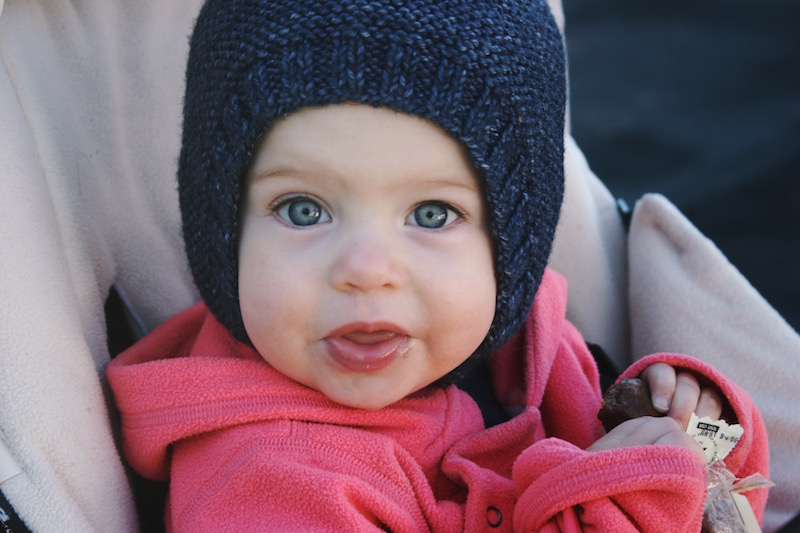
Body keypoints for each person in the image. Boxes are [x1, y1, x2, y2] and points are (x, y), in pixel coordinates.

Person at [106, 0, 769, 530]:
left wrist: (688, 426)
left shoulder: (524, 341)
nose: (367, 270)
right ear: (220, 231)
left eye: (431, 214)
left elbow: (726, 504)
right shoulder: (267, 485)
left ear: (510, 246)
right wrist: (628, 502)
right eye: (304, 209)